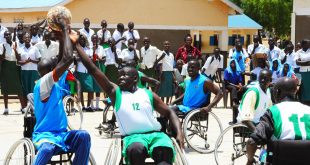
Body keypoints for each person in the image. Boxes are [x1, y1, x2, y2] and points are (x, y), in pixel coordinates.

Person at [76, 37, 184, 165]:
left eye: (124, 75)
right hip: (134, 137)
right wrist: (76, 45)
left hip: (156, 135)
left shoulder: (147, 94)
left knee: (165, 151)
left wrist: (180, 133)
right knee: (136, 150)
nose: (120, 77)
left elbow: (170, 113)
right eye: (119, 75)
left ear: (134, 79)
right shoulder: (116, 93)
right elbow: (93, 69)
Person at [32, 17, 90, 165]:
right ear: (50, 71)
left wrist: (62, 36)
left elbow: (62, 58)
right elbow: (67, 59)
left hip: (61, 134)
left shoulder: (56, 83)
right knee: (46, 150)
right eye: (54, 66)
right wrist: (65, 31)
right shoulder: (43, 84)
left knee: (84, 136)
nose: (57, 64)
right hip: (45, 136)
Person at [246, 77, 308, 165]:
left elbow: (251, 142)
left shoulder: (274, 112)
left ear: (277, 92)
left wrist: (250, 160)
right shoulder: (308, 110)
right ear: (295, 91)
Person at [0, 31, 25, 115]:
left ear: (11, 35)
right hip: (6, 66)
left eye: (8, 34)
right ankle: (6, 108)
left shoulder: (16, 44)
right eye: (5, 35)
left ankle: (23, 107)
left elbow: (19, 58)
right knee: (5, 88)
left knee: (18, 87)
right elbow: (1, 59)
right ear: (4, 37)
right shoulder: (2, 45)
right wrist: (3, 52)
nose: (7, 36)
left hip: (15, 66)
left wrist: (15, 50)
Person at [17, 32, 41, 105]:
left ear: (30, 39)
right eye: (25, 37)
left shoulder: (35, 48)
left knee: (33, 88)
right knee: (25, 89)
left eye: (28, 37)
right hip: (24, 71)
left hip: (33, 71)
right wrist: (26, 62)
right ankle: (25, 106)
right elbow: (18, 62)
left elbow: (39, 60)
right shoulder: (20, 49)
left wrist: (31, 61)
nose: (27, 39)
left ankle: (34, 105)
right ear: (23, 39)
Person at [75, 35, 95, 112]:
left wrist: (82, 58)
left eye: (83, 40)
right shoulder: (77, 49)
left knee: (90, 89)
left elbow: (91, 58)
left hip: (88, 71)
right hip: (80, 71)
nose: (82, 41)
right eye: (81, 40)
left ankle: (88, 106)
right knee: (82, 90)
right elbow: (76, 59)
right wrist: (85, 58)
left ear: (85, 40)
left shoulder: (89, 49)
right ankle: (83, 106)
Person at [91, 34, 105, 110]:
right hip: (91, 68)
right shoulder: (89, 48)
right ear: (91, 40)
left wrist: (100, 58)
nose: (95, 40)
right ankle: (92, 105)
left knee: (98, 86)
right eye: (93, 39)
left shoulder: (101, 48)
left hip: (99, 67)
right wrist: (93, 50)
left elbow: (104, 59)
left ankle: (97, 105)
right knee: (92, 86)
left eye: (96, 39)